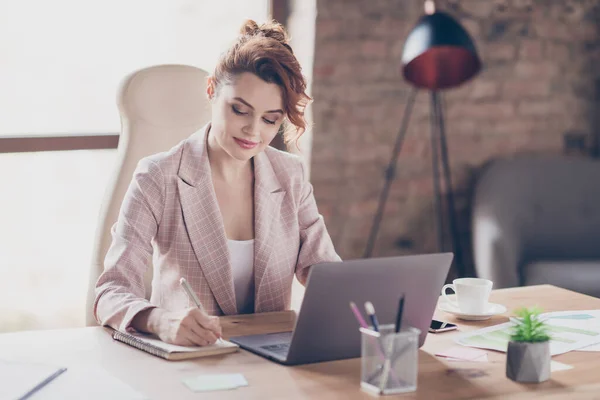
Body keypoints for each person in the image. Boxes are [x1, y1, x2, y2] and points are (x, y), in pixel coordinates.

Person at [94, 19, 341, 347]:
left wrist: (363, 296)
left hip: (272, 360)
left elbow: (323, 270)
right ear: (211, 90)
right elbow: (110, 291)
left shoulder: (290, 175)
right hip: (189, 362)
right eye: (240, 110)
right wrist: (160, 320)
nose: (253, 131)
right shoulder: (158, 177)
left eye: (270, 119)